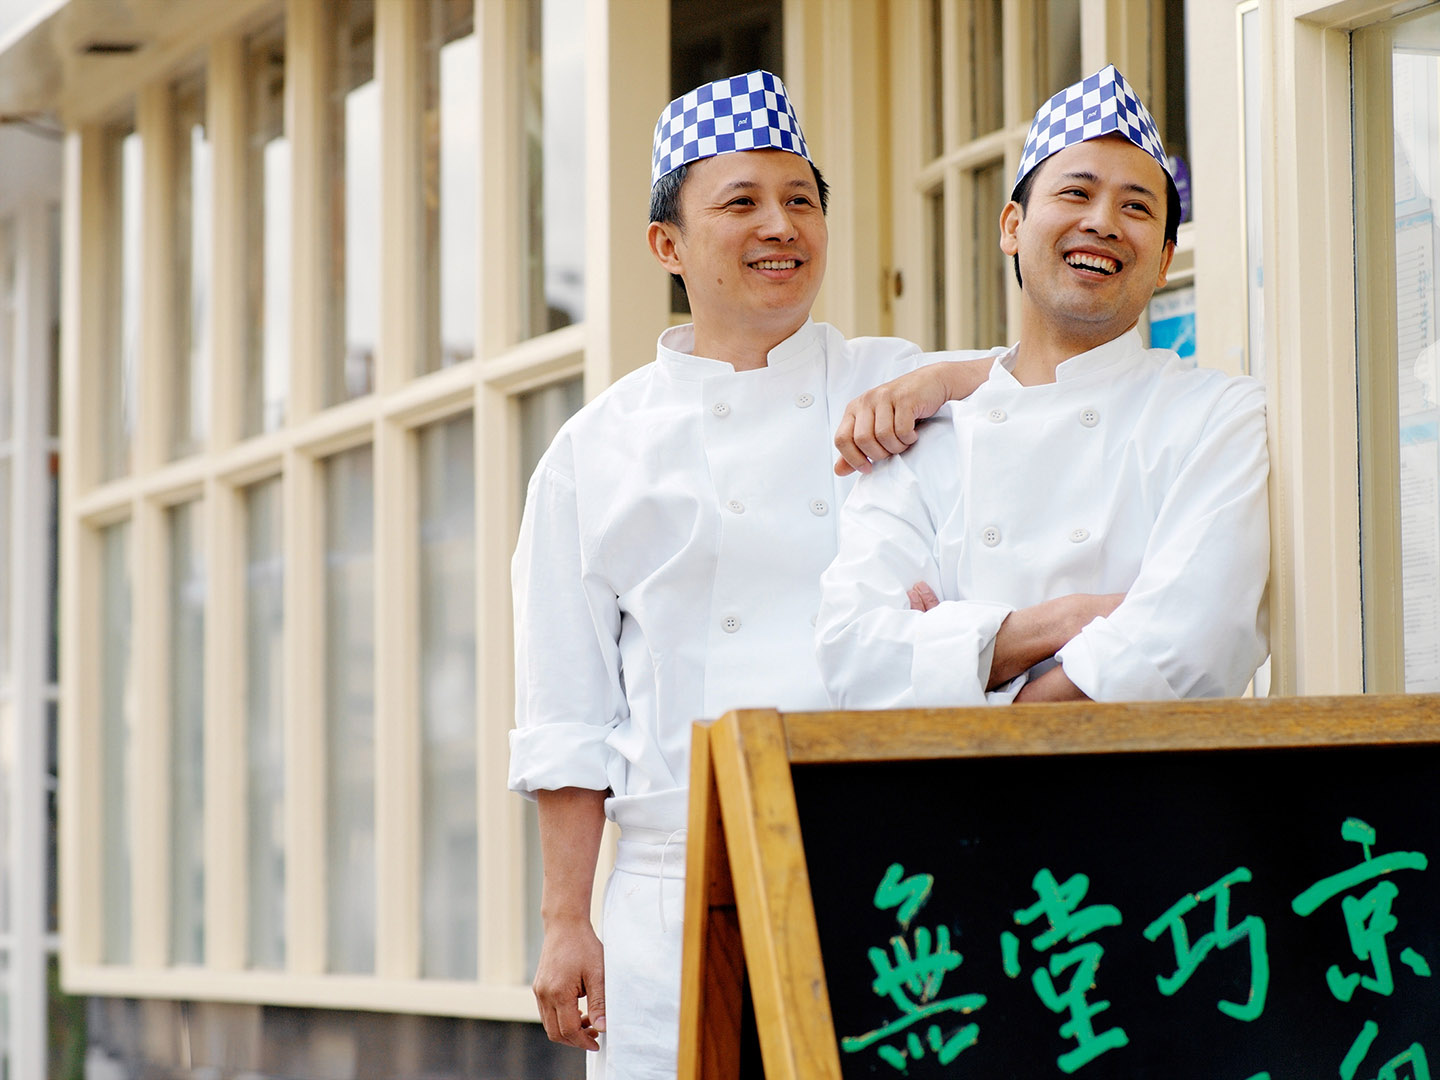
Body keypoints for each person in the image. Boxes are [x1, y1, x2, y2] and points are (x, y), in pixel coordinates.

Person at [508, 70, 988, 1079]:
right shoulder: (596, 452)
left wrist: (946, 378)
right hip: (674, 882)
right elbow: (567, 710)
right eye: (743, 203)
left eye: (801, 201)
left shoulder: (891, 378)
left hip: (887, 862)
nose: (782, 226)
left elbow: (1048, 396)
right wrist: (564, 921)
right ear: (667, 245)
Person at [816, 64, 1270, 709]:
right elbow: (856, 656)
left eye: (1137, 207)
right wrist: (1064, 622)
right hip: (946, 808)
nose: (1105, 223)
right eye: (1075, 193)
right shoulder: (924, 435)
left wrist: (970, 673)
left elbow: (1195, 638)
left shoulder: (1215, 417)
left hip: (1138, 799)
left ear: (1165, 259)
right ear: (1011, 228)